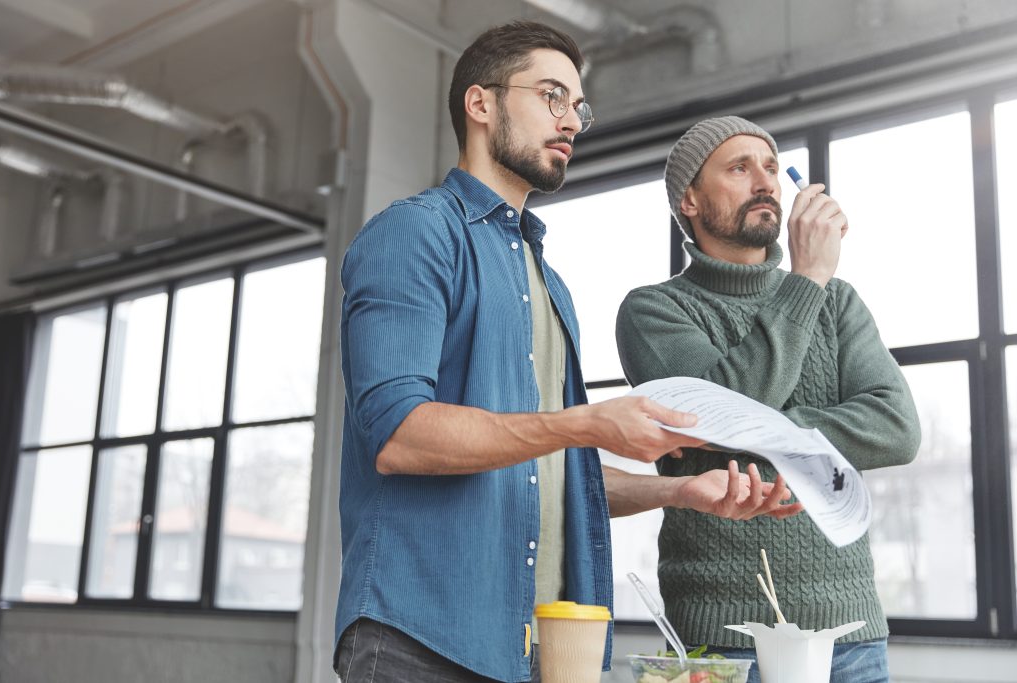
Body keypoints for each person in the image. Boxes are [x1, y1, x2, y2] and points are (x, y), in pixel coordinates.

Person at [335, 24, 802, 683]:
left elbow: (548, 470)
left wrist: (680, 490)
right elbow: (399, 435)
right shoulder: (415, 234)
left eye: (578, 106)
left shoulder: (546, 283)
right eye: (552, 96)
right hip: (424, 640)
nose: (572, 122)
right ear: (481, 104)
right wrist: (587, 422)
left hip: (539, 649)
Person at [615, 116, 922, 683]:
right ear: (689, 199)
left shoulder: (838, 301)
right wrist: (806, 281)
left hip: (851, 635)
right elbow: (713, 415)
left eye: (772, 167)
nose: (766, 182)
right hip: (722, 638)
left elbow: (897, 428)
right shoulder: (654, 311)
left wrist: (761, 431)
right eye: (739, 167)